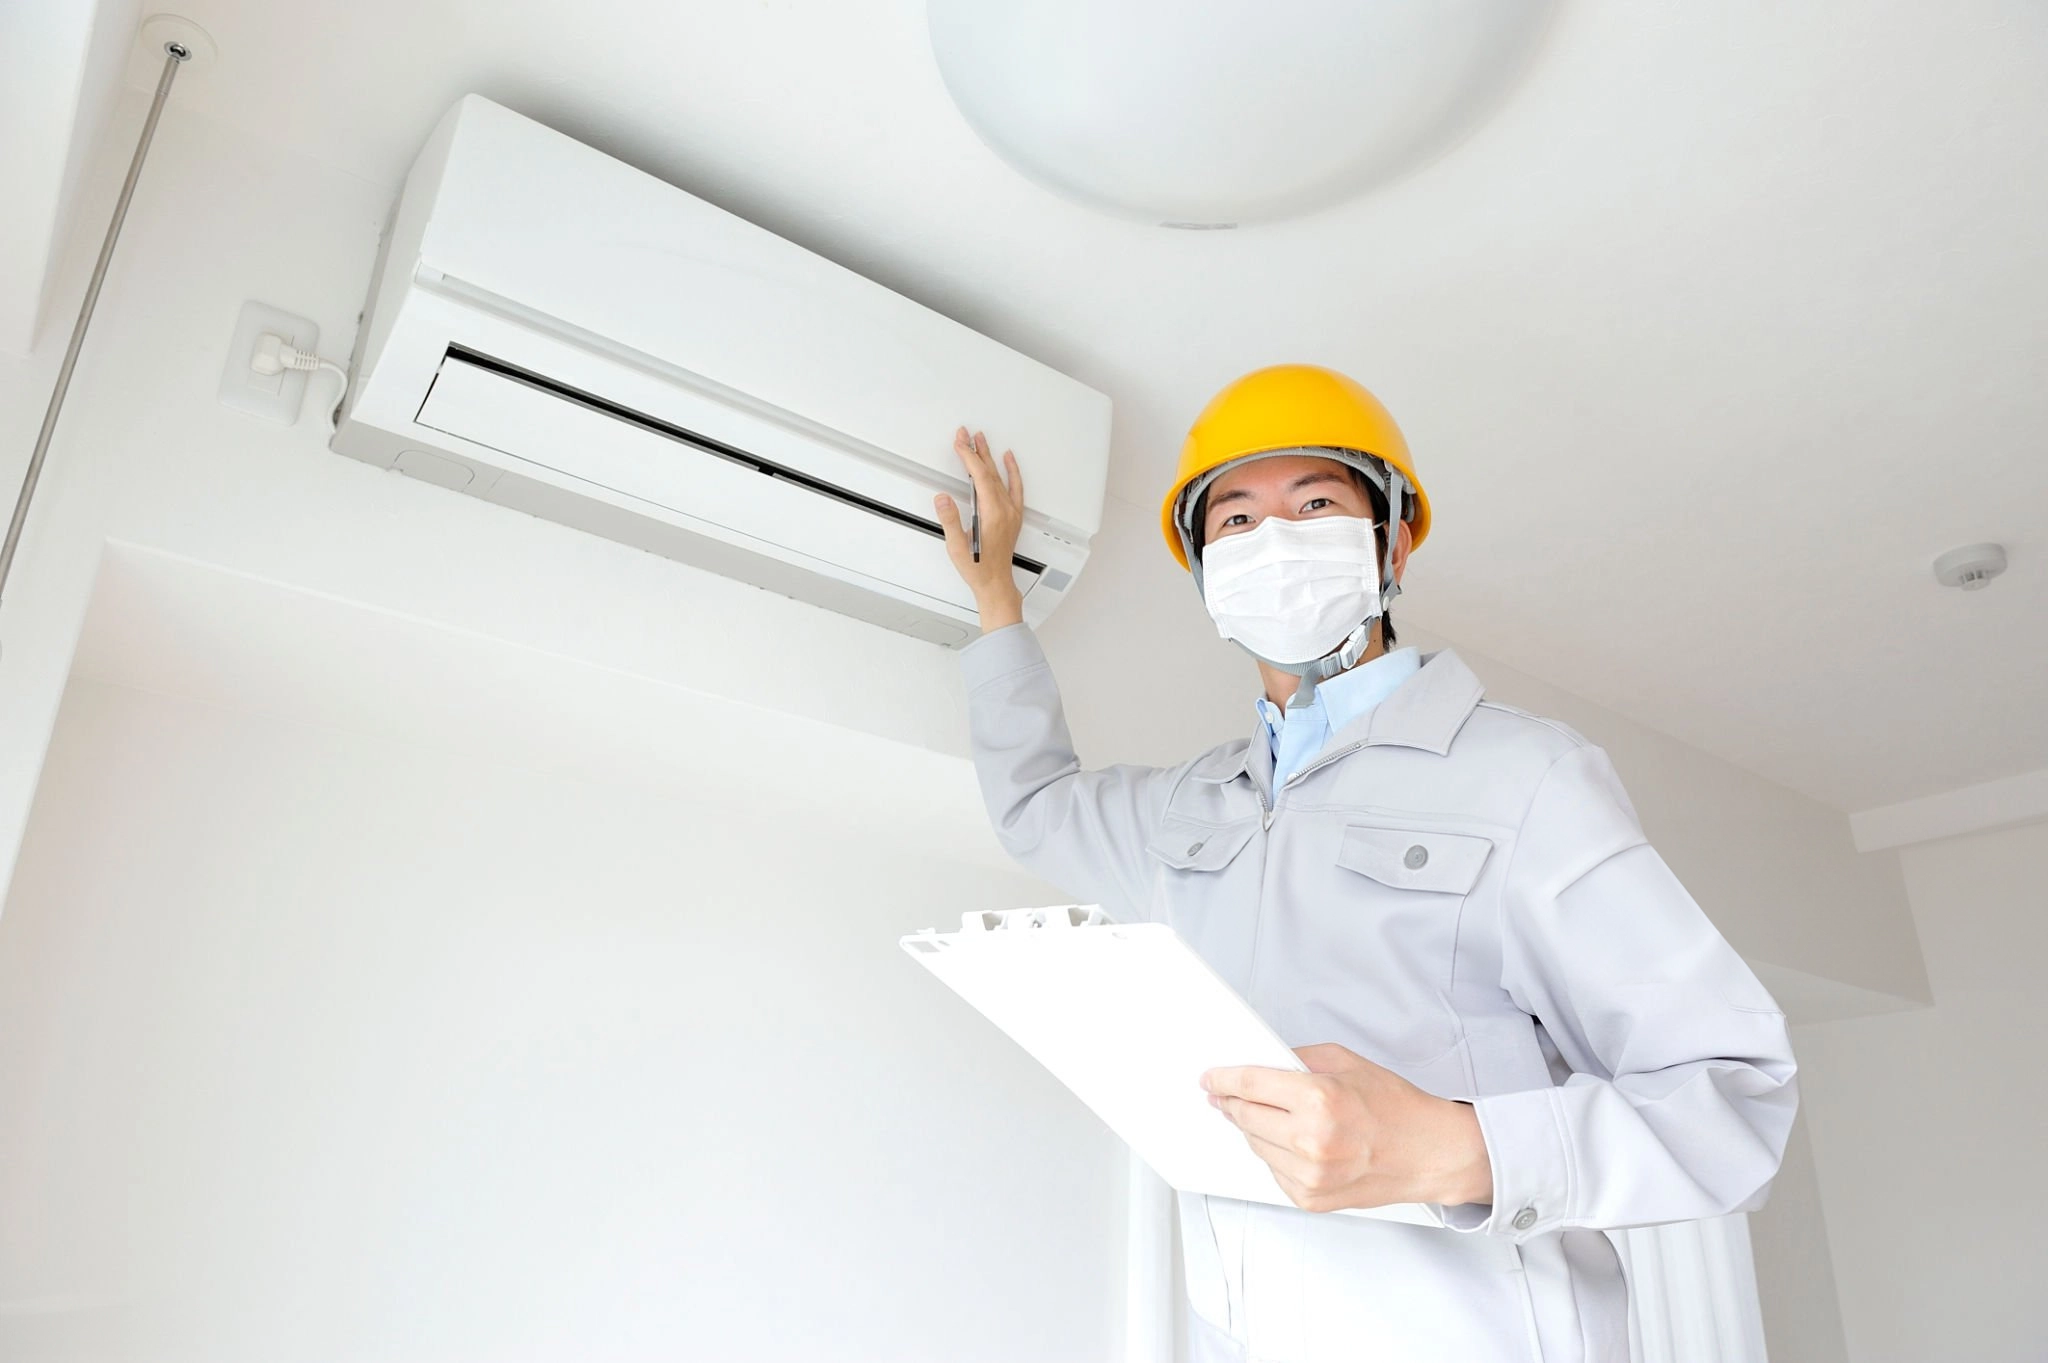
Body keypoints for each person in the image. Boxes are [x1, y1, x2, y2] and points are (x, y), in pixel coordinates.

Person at [933, 364, 1798, 1363]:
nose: (1275, 541)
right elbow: (1036, 809)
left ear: (1388, 541)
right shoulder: (1185, 813)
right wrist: (999, 601)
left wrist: (1446, 1148)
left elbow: (1733, 1100)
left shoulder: (1522, 776)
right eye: (1237, 522)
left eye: (1314, 503)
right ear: (1206, 571)